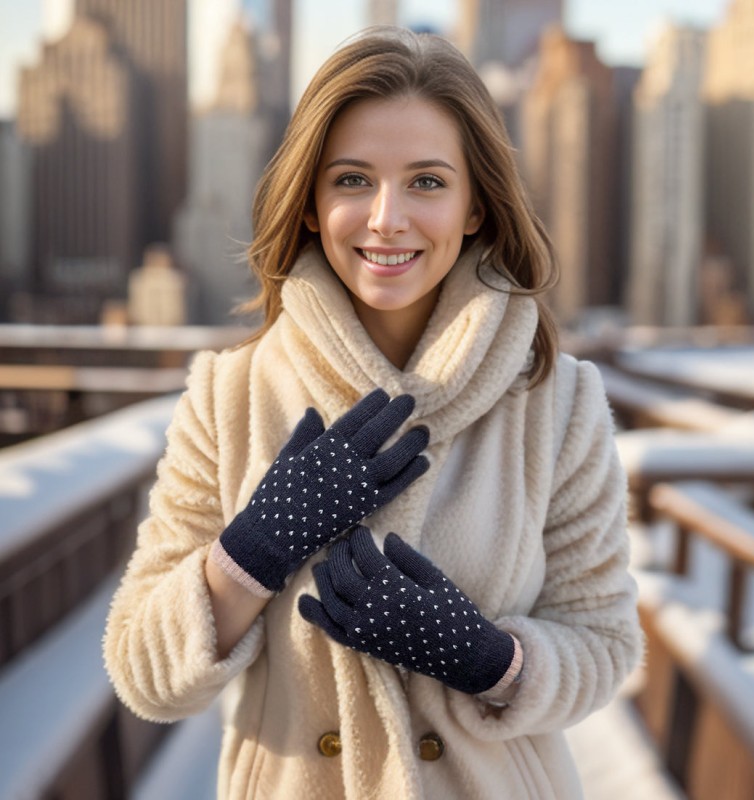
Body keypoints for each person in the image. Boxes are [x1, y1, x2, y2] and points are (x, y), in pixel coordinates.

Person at [104, 26, 642, 799]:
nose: (387, 218)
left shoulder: (557, 403)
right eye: (352, 180)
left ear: (475, 209)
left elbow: (605, 644)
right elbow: (142, 675)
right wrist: (248, 556)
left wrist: (490, 661)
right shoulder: (229, 396)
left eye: (426, 182)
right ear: (314, 205)